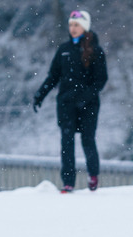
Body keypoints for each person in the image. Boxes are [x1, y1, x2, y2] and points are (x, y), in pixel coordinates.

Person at [33, 10, 108, 192]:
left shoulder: (95, 50)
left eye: (77, 25)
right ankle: (68, 182)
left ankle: (93, 175)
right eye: (71, 24)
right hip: (66, 104)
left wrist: (86, 97)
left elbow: (101, 79)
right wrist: (40, 95)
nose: (72, 28)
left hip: (88, 105)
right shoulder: (64, 50)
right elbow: (53, 76)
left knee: (87, 139)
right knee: (66, 141)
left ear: (84, 27)